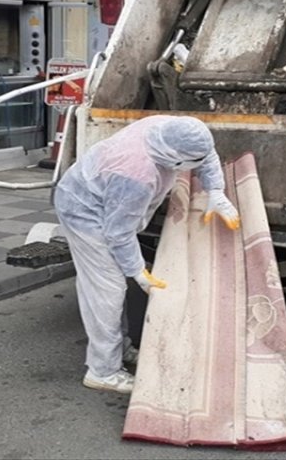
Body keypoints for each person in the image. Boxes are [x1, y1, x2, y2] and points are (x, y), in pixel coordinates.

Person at [53, 115, 241, 394]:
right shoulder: (136, 173)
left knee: (114, 287)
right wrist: (137, 271)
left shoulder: (173, 129)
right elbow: (119, 232)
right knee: (108, 290)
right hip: (83, 212)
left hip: (104, 200)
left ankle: (122, 349)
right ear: (174, 160)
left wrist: (216, 191)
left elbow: (205, 153)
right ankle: (102, 371)